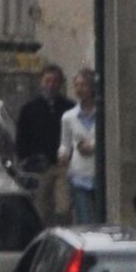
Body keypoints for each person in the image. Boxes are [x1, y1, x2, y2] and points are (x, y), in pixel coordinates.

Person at [13, 63, 67, 192]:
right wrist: (27, 160)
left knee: (64, 205)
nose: (51, 85)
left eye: (55, 81)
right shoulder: (29, 109)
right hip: (39, 166)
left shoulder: (68, 107)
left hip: (62, 165)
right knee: (41, 205)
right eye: (47, 81)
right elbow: (22, 138)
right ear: (41, 82)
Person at [59, 68, 100, 222]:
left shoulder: (102, 114)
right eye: (76, 86)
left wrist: (93, 146)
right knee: (85, 219)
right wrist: (62, 154)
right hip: (79, 174)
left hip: (98, 172)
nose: (79, 89)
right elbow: (65, 143)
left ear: (92, 88)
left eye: (83, 85)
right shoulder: (68, 117)